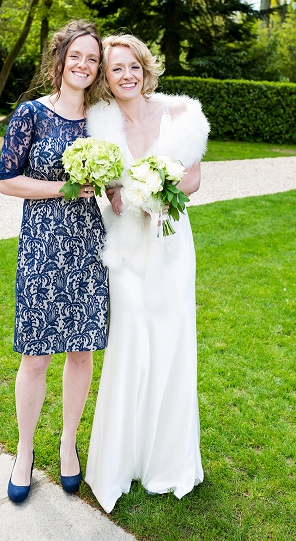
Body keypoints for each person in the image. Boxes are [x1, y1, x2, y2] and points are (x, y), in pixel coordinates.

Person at [84, 34, 207, 513]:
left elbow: (192, 179)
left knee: (173, 341)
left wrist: (157, 193)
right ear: (106, 79)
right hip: (125, 245)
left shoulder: (179, 115)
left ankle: (167, 459)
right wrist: (121, 196)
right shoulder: (101, 123)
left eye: (133, 65)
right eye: (116, 69)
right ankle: (121, 459)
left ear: (145, 68)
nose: (127, 75)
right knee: (131, 340)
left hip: (172, 242)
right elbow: (106, 188)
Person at [0, 21, 108, 503]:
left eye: (93, 59)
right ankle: (24, 451)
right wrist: (62, 188)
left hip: (88, 245)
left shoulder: (104, 120)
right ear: (60, 59)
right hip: (42, 243)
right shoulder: (31, 114)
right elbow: (6, 181)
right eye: (77, 56)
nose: (84, 66)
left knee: (81, 350)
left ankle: (67, 443)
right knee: (36, 354)